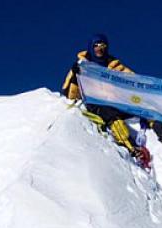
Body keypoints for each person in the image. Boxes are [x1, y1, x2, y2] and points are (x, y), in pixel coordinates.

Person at [61, 34, 150, 167]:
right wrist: (75, 76)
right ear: (91, 47)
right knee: (110, 115)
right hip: (96, 103)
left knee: (146, 110)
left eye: (102, 45)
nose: (99, 48)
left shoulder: (115, 66)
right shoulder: (82, 65)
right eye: (96, 45)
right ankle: (131, 148)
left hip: (117, 101)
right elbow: (69, 94)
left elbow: (134, 81)